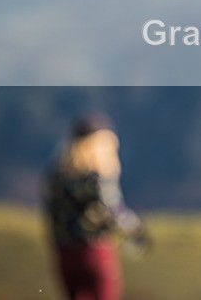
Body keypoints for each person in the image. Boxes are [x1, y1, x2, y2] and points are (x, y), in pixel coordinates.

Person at [43, 114, 149, 300]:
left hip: (63, 253)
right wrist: (136, 230)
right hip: (94, 252)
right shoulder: (97, 176)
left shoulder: (57, 176)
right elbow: (112, 210)